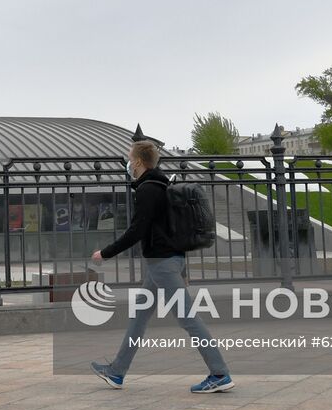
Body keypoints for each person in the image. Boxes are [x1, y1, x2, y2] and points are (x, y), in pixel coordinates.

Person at [90, 139, 233, 393]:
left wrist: (106, 253)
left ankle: (219, 372)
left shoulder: (148, 189)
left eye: (128, 158)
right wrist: (183, 268)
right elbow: (175, 230)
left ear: (137, 161)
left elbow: (137, 230)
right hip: (167, 263)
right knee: (139, 317)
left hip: (162, 264)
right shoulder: (162, 185)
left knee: (188, 319)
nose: (127, 163)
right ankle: (117, 372)